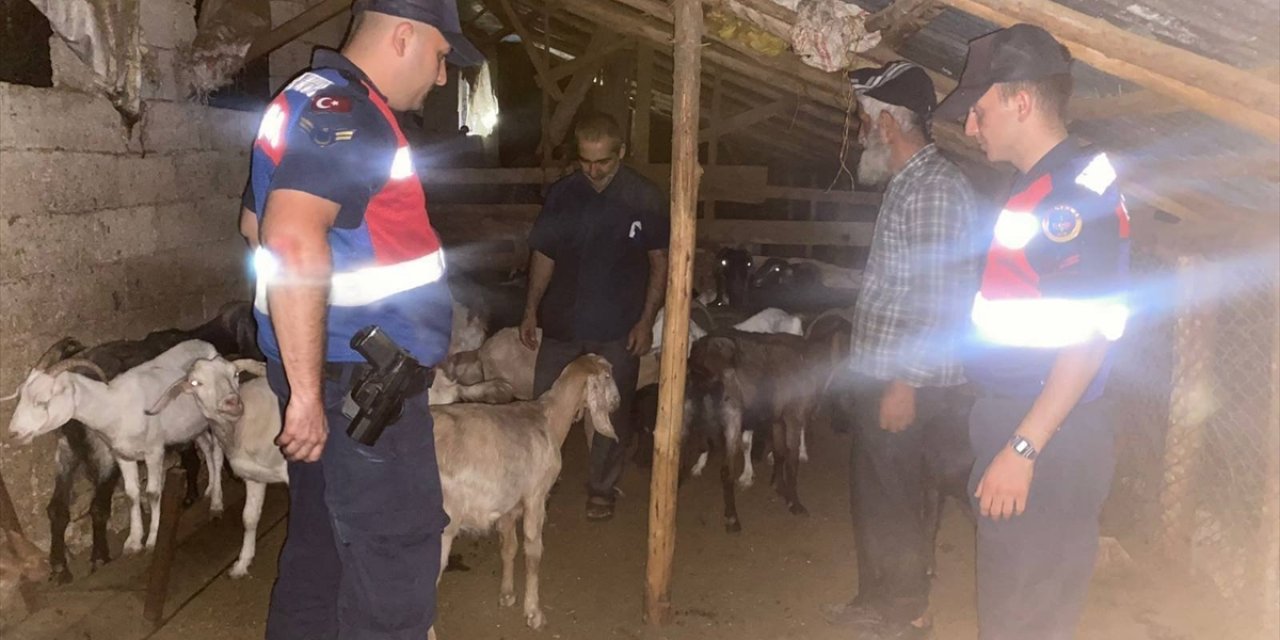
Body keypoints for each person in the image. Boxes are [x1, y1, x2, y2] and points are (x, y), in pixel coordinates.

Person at [237, 1, 482, 638]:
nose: (437, 76)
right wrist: (311, 396)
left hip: (327, 376)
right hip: (364, 390)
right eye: (439, 55)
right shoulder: (354, 117)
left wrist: (303, 386)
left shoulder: (300, 99)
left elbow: (254, 225)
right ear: (403, 35)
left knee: (320, 552)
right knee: (394, 565)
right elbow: (290, 240)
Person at [934, 24, 1132, 640]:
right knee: (1013, 605)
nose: (971, 126)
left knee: (1025, 615)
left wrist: (1022, 449)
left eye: (979, 110)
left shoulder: (1069, 196)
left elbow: (1089, 334)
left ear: (1021, 102)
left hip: (1047, 430)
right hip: (1029, 418)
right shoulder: (1041, 185)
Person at [820, 61, 980, 640]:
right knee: (877, 490)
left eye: (863, 119)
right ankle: (878, 599)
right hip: (885, 370)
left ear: (887, 121)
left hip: (908, 377)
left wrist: (903, 384)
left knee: (896, 493)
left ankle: (909, 612)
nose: (860, 130)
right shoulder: (910, 182)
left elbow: (936, 296)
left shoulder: (934, 189)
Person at [519, 112, 670, 522]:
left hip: (618, 327)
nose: (593, 170)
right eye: (585, 161)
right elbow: (544, 254)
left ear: (620, 152)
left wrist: (645, 320)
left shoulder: (644, 197)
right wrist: (531, 309)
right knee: (545, 407)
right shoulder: (564, 195)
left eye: (602, 161)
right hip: (564, 323)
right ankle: (539, 484)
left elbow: (660, 262)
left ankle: (602, 487)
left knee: (611, 412)